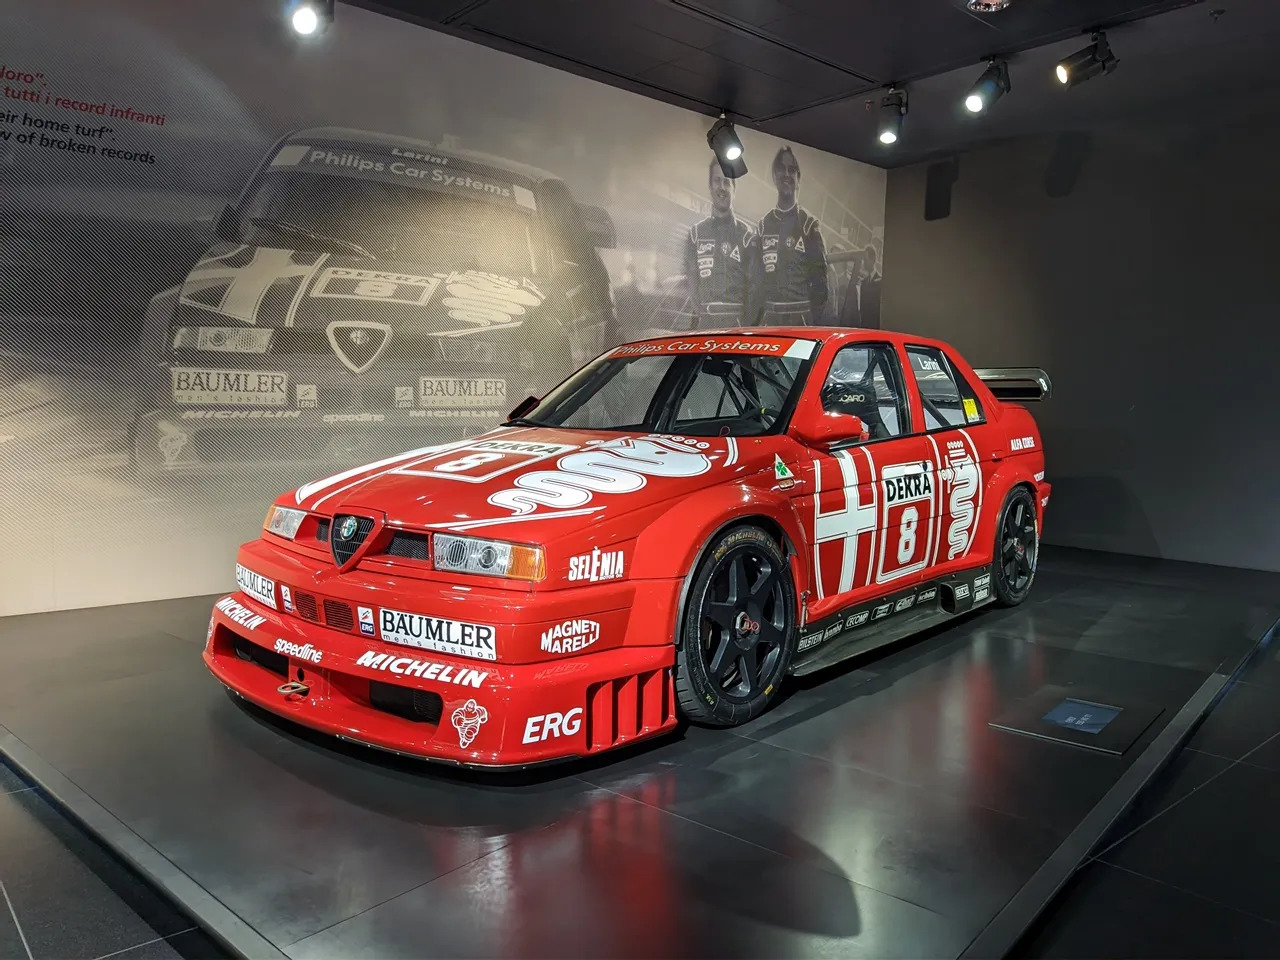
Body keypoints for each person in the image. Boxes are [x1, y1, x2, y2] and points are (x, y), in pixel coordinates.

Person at [756, 146, 828, 324]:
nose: (787, 174)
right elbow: (755, 282)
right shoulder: (763, 226)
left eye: (792, 170)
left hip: (800, 319)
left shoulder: (809, 225)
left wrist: (808, 322)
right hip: (770, 321)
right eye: (781, 169)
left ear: (798, 179)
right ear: (774, 176)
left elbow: (820, 286)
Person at [683, 159, 758, 328]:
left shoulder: (747, 236)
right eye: (717, 181)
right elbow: (692, 283)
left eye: (727, 182)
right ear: (710, 186)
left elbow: (755, 290)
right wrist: (703, 318)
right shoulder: (695, 235)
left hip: (736, 326)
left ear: (734, 189)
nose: (722, 187)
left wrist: (744, 325)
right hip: (705, 326)